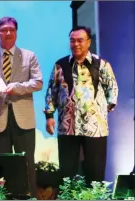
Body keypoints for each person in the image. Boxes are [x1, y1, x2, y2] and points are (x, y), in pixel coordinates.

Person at [44, 26, 118, 184]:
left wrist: (105, 109)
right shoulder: (61, 65)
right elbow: (52, 91)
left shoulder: (101, 64)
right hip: (68, 126)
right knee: (67, 173)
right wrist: (49, 116)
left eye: (80, 40)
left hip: (95, 128)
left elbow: (112, 89)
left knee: (95, 172)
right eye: (72, 40)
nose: (75, 44)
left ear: (89, 42)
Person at [0, 16, 43, 197]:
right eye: (4, 30)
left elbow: (38, 83)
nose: (8, 33)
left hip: (24, 119)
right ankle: (2, 197)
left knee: (27, 163)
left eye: (12, 30)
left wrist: (18, 88)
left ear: (16, 33)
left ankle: (28, 197)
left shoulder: (29, 56)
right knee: (0, 165)